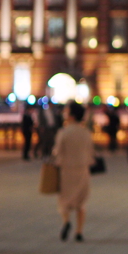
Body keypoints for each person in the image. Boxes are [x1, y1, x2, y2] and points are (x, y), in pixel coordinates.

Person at [52, 101, 95, 242]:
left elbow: (58, 152)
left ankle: (66, 222)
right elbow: (91, 151)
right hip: (82, 169)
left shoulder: (63, 133)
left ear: (71, 116)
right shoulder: (86, 133)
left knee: (64, 200)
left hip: (66, 170)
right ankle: (79, 231)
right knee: (81, 202)